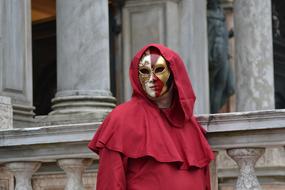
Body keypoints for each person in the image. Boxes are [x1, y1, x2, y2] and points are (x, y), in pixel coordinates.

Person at [88, 44, 214, 190]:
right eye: (145, 72)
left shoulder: (190, 126)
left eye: (159, 70)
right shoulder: (120, 120)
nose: (152, 78)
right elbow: (110, 184)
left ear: (174, 72)